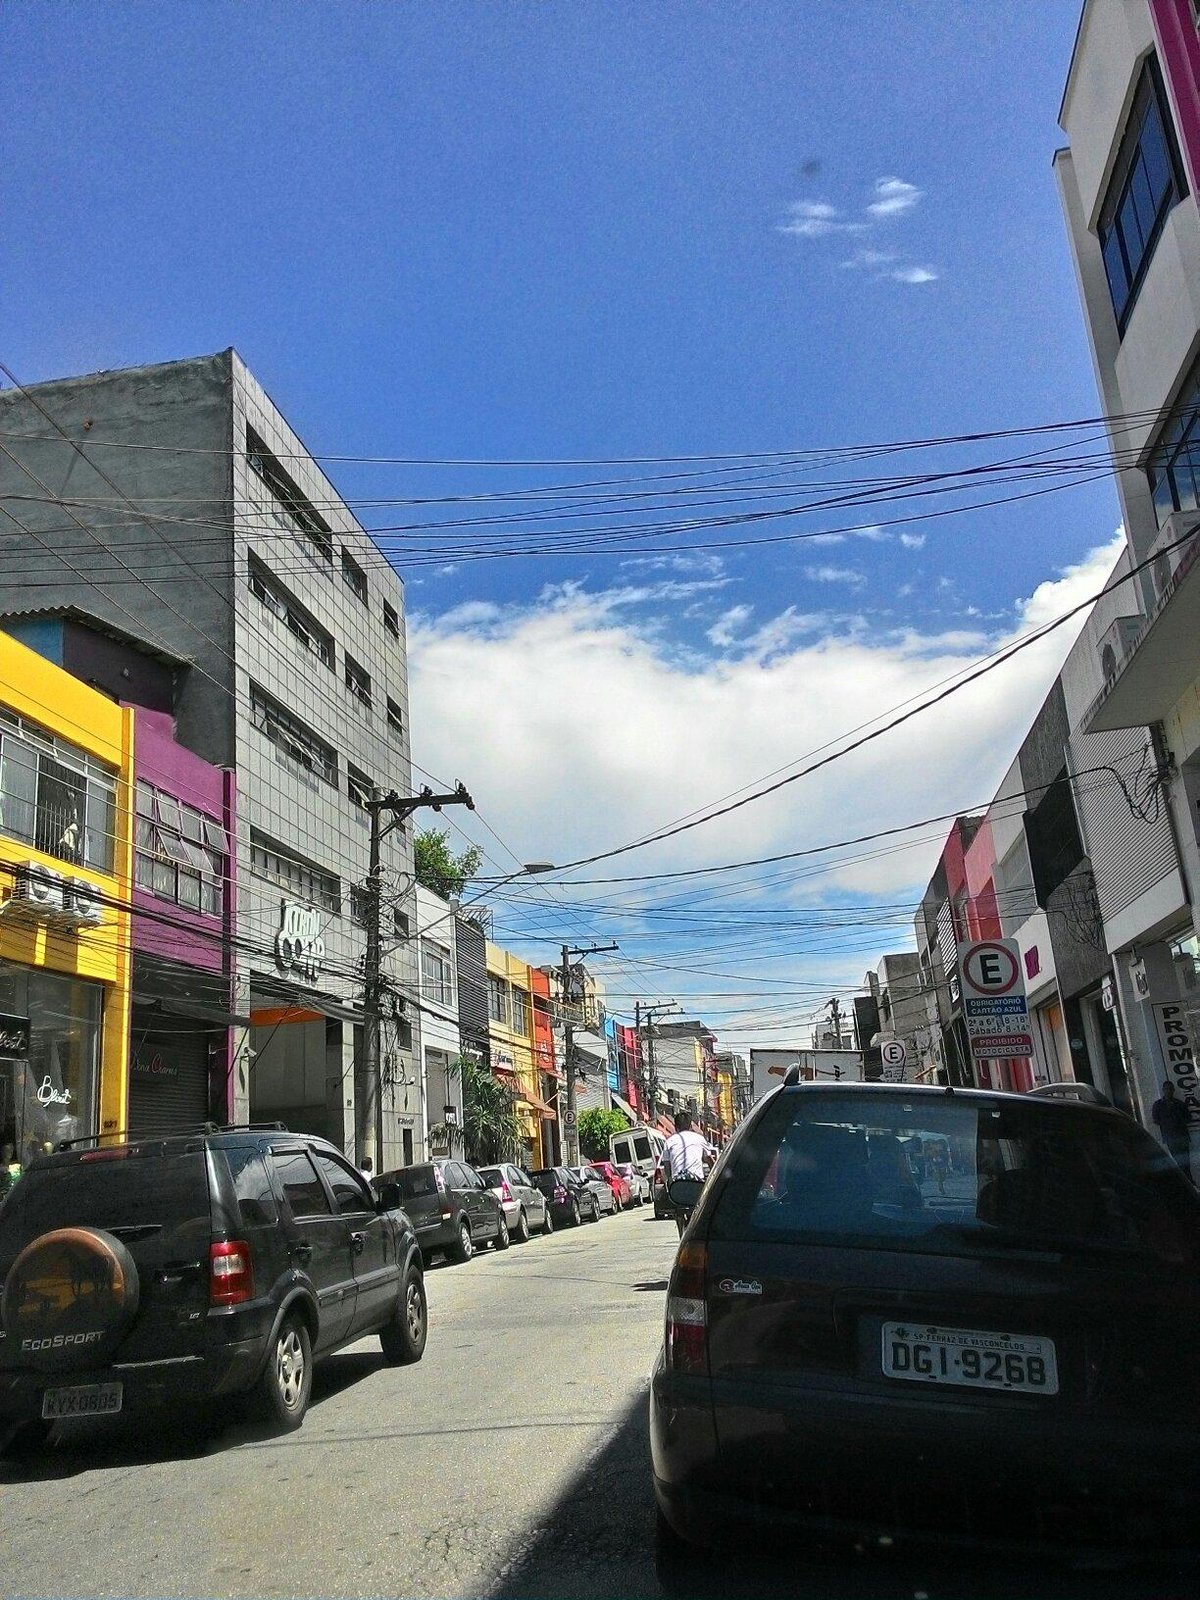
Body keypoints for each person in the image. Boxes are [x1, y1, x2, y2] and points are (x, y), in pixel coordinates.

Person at [661, 1111, 714, 1236]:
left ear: (676, 1127)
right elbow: (709, 1160)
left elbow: (667, 1167)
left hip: (676, 1186)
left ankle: (681, 1233)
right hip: (697, 1184)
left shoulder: (669, 1142)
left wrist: (668, 1181)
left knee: (676, 1209)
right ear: (690, 1126)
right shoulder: (699, 1138)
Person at [1152, 1081, 1193, 1178]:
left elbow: (1188, 1118)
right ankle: (1187, 1181)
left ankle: (1189, 1181)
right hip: (1171, 1137)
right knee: (1178, 1162)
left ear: (1173, 1090)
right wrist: (1169, 1123)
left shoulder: (1180, 1104)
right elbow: (1156, 1120)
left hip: (1182, 1137)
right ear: (1163, 1090)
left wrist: (1178, 1121)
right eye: (1166, 1089)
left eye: (1170, 1089)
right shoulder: (1158, 1105)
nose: (1169, 1091)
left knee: (1186, 1162)